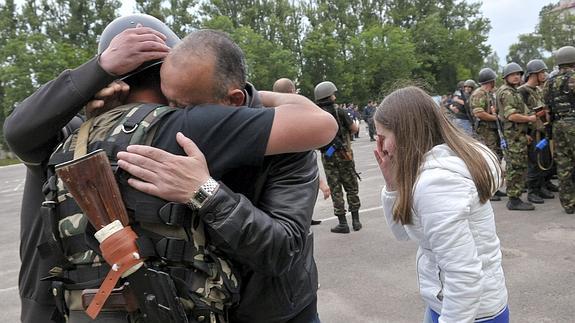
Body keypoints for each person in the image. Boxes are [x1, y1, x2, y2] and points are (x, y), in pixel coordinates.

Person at [6, 15, 335, 322]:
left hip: (275, 309)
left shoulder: (263, 136)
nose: (172, 111)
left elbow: (282, 249)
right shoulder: (95, 131)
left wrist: (205, 192)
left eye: (183, 103)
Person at [374, 86, 509, 323]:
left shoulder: (437, 184)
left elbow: (464, 276)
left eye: (383, 136)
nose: (380, 146)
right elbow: (402, 232)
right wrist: (393, 184)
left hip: (468, 313)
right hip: (448, 303)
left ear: (406, 134)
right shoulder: (437, 165)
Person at [272, 77, 327, 225]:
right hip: (299, 168)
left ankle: (304, 219)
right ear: (291, 91)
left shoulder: (270, 113)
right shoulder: (298, 111)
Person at [315, 81, 361, 233]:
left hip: (328, 156)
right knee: (351, 187)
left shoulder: (316, 114)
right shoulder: (339, 111)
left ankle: (342, 223)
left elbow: (316, 142)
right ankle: (356, 221)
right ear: (330, 95)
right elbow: (354, 129)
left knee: (336, 189)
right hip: (345, 154)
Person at [496, 62, 538, 211]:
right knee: (515, 166)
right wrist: (530, 119)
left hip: (517, 135)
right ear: (506, 76)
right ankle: (514, 200)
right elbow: (512, 116)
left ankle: (515, 196)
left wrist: (524, 133)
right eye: (513, 74)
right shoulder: (507, 92)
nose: (517, 77)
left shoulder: (512, 91)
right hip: (513, 136)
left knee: (518, 166)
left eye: (519, 74)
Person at [543, 45, 575, 215]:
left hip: (557, 126)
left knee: (564, 166)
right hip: (573, 123)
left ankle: (568, 204)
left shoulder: (550, 81)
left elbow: (546, 108)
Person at [518, 59, 555, 204]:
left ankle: (542, 186)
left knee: (544, 160)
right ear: (534, 74)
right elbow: (521, 113)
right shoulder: (522, 91)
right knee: (534, 162)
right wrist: (525, 133)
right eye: (542, 72)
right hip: (532, 132)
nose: (545, 75)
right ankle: (532, 191)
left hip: (542, 130)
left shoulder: (538, 90)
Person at [469, 68, 506, 201]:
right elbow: (478, 113)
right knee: (488, 160)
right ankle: (488, 190)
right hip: (485, 132)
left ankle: (495, 188)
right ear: (491, 81)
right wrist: (495, 118)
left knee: (496, 158)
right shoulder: (479, 94)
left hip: (492, 131)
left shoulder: (489, 93)